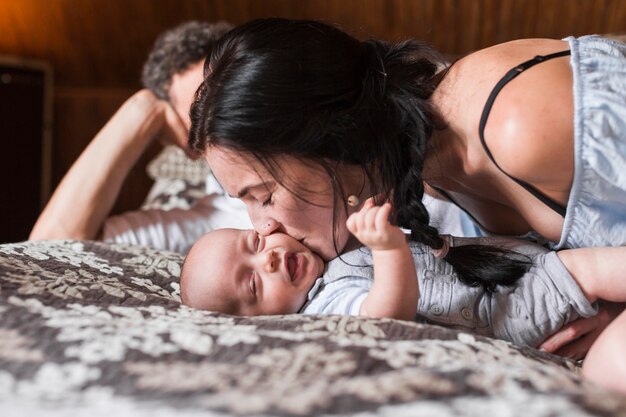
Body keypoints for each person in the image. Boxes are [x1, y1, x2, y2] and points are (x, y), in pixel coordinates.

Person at [188, 18, 624, 369]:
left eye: (262, 195)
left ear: (332, 145)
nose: (262, 225)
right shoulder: (418, 181)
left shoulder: (517, 129)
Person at [179, 199, 626, 393]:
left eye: (255, 245)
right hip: (506, 306)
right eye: (254, 283)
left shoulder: (322, 252)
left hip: (507, 271)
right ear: (256, 321)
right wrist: (388, 248)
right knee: (591, 269)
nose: (270, 261)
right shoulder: (323, 309)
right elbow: (386, 315)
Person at [28, 21, 251, 254]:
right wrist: (143, 111)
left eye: (225, 91)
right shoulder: (218, 218)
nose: (229, 113)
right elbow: (49, 247)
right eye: (199, 116)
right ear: (188, 142)